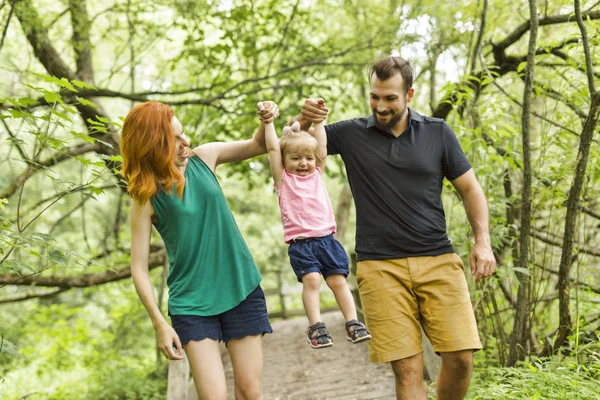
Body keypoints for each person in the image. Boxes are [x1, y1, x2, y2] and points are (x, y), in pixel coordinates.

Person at [292, 57, 496, 400]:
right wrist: (305, 116)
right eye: (375, 97)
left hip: (438, 259)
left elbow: (471, 189)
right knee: (408, 369)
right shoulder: (352, 133)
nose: (380, 106)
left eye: (390, 98)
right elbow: (294, 142)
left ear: (409, 94)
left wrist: (483, 241)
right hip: (380, 267)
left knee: (461, 357)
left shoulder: (437, 132)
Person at [120, 101, 278, 400]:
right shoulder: (145, 198)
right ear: (152, 146)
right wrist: (159, 323)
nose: (186, 143)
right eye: (174, 139)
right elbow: (138, 267)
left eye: (184, 134)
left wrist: (267, 118)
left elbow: (258, 144)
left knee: (251, 392)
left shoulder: (204, 157)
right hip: (192, 305)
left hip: (240, 287)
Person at [260, 101, 371, 349]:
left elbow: (321, 146)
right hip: (302, 244)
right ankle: (316, 326)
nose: (303, 163)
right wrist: (268, 123)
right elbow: (271, 149)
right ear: (285, 160)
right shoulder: (283, 180)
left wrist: (319, 122)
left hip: (327, 240)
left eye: (308, 158)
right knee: (311, 281)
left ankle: (353, 322)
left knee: (338, 281)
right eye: (296, 158)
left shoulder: (317, 174)